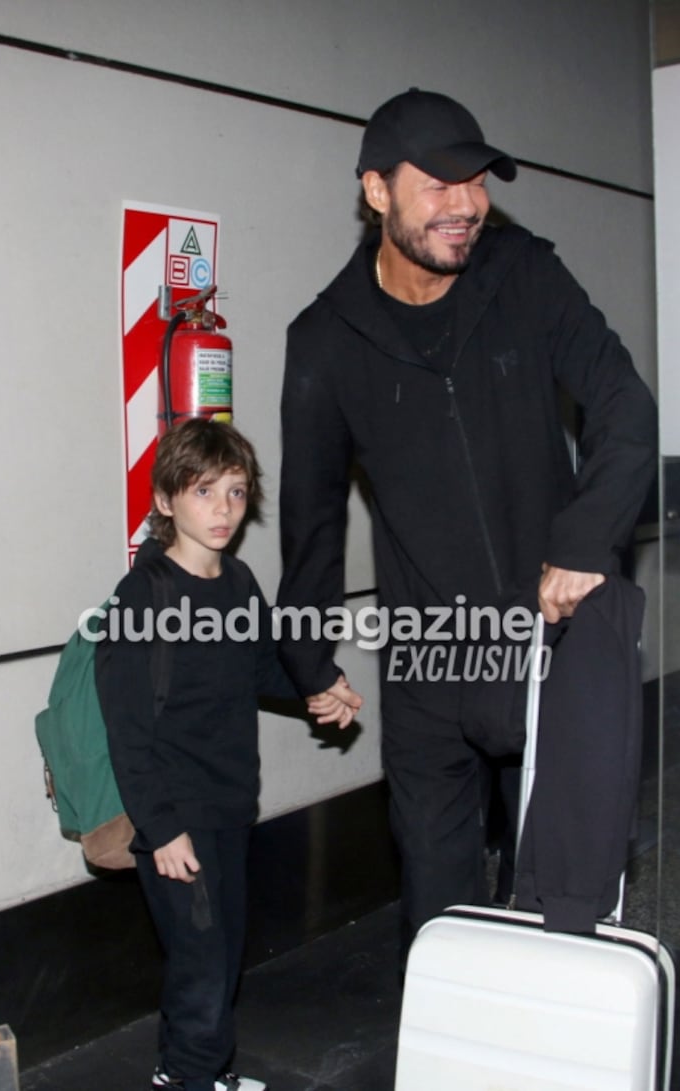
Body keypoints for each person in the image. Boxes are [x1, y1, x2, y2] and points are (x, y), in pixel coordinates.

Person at [276, 89, 657, 956]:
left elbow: (623, 407)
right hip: (430, 666)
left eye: (476, 178)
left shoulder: (522, 274)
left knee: (561, 914)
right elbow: (311, 518)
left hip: (550, 643)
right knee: (439, 925)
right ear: (376, 190)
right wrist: (306, 656)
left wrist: (580, 540)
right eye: (438, 182)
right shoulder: (326, 339)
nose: (466, 202)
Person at [95, 418, 349, 1091]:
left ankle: (185, 1069)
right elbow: (127, 728)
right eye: (203, 490)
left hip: (230, 802)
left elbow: (261, 666)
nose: (222, 509)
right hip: (176, 812)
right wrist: (161, 826)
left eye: (236, 492)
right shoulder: (141, 597)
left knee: (214, 954)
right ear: (164, 499)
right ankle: (191, 1077)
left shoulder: (235, 581)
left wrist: (317, 687)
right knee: (204, 959)